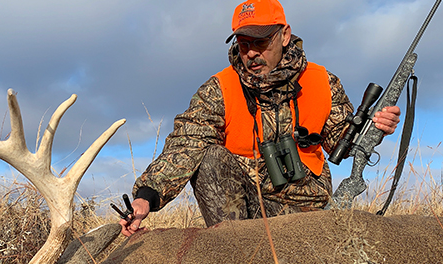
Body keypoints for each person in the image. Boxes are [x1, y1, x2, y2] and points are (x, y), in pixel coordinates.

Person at [121, 0, 400, 236]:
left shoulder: (322, 81)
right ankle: (236, 261)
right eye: (244, 44)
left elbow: (343, 142)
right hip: (244, 216)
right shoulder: (219, 89)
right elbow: (186, 144)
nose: (251, 53)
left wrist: (374, 129)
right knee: (208, 158)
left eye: (261, 41)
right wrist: (146, 197)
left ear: (285, 35)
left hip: (307, 210)